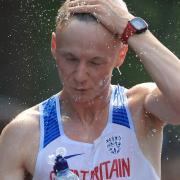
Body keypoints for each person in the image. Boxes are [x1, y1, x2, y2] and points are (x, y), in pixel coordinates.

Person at [0, 0, 180, 179]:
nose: (80, 76)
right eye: (70, 58)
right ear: (54, 46)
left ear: (121, 55)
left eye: (95, 62)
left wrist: (131, 27)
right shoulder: (23, 134)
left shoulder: (140, 109)